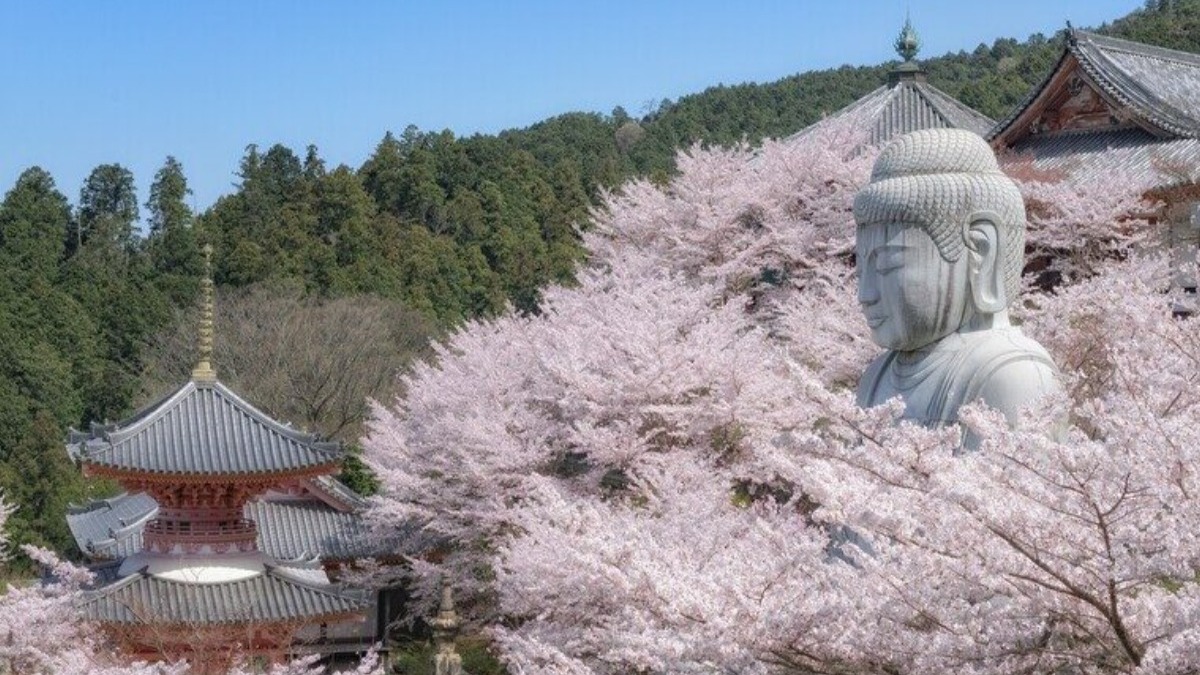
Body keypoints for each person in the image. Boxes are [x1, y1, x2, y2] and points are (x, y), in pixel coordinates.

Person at [853, 129, 1061, 438]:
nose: (865, 294)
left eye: (887, 264)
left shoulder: (1012, 375)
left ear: (980, 251)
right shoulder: (876, 376)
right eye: (860, 267)